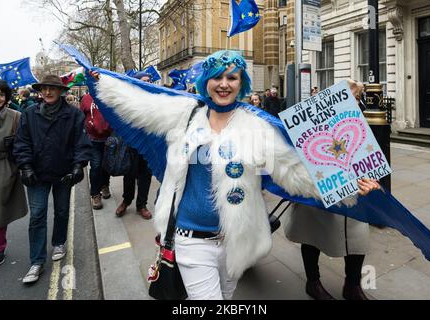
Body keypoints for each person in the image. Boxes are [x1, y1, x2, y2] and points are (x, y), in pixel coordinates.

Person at [89, 50, 379, 300]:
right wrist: (105, 83)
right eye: (217, 77)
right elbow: (141, 104)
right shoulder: (185, 113)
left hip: (236, 242)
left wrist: (350, 183)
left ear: (241, 83)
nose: (224, 84)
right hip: (190, 238)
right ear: (206, 81)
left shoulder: (257, 126)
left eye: (232, 77)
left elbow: (294, 171)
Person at [283, 78, 379, 300]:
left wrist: (371, 180)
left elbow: (369, 157)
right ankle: (313, 282)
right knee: (312, 236)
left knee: (357, 238)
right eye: (351, 96)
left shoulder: (357, 121)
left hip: (352, 195)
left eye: (357, 97)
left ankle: (353, 285)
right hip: (315, 194)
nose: (356, 101)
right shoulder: (309, 122)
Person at [13, 74, 92, 284]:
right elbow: (22, 143)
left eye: (52, 88)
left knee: (62, 210)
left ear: (60, 91)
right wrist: (26, 166)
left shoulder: (74, 115)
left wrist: (78, 165)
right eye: (44, 88)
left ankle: (59, 242)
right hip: (37, 174)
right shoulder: (29, 114)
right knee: (37, 215)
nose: (47, 92)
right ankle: (37, 261)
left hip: (62, 173)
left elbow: (81, 143)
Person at [0, 80, 28, 267]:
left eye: (1, 94)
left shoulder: (16, 116)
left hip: (5, 167)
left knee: (0, 209)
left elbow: (24, 143)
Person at [114, 72, 154, 219]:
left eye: (149, 80)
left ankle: (141, 205)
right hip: (131, 145)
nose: (148, 82)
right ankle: (126, 200)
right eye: (144, 80)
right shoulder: (128, 100)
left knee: (145, 176)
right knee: (129, 174)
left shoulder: (155, 100)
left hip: (149, 147)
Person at [80, 92, 112, 210]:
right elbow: (81, 117)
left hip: (109, 139)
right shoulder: (86, 98)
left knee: (106, 165)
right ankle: (95, 194)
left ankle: (105, 185)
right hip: (93, 140)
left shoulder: (109, 96)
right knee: (96, 166)